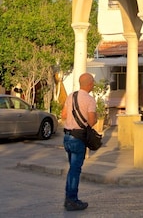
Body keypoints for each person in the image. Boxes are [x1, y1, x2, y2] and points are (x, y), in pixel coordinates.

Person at [61, 72, 96, 211]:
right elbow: (92, 121)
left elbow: (63, 115)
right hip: (78, 138)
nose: (93, 85)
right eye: (92, 82)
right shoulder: (90, 100)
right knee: (75, 170)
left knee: (72, 169)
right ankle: (72, 200)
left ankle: (68, 198)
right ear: (89, 84)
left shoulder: (71, 96)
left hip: (67, 137)